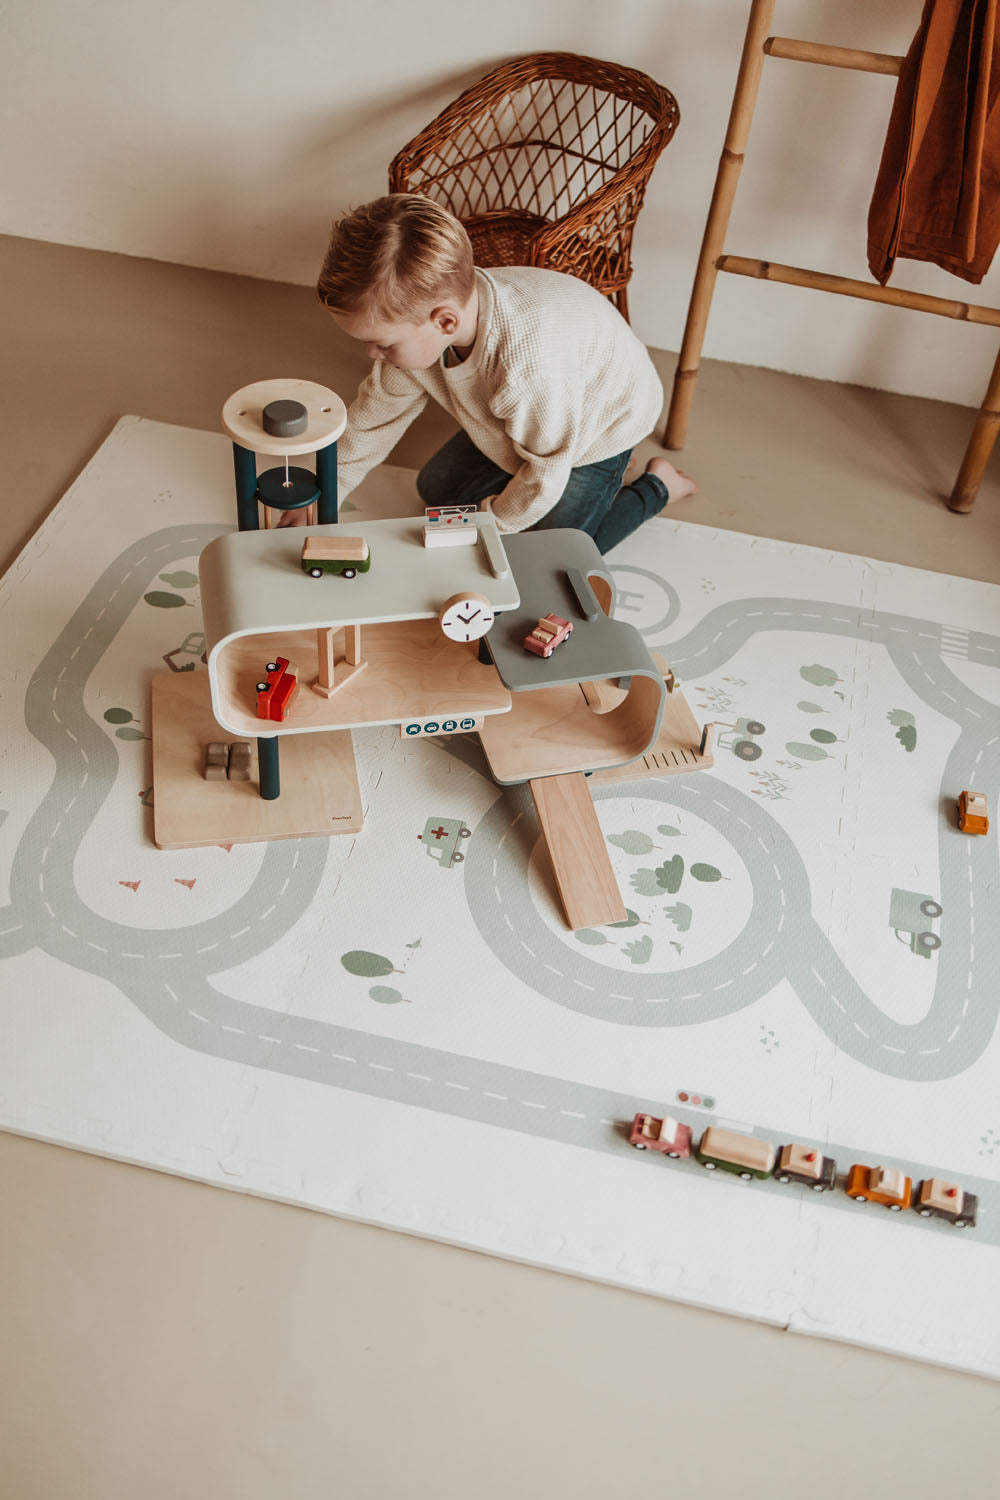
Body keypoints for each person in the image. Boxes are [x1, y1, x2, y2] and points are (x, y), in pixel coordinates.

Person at [281, 193, 696, 551]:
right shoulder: (435, 326)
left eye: (385, 344)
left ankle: (656, 487)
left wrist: (491, 528)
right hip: (538, 417)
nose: (374, 354)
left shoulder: (526, 367)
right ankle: (583, 475)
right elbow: (372, 421)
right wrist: (323, 496)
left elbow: (545, 472)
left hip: (602, 422)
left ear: (444, 322)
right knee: (436, 491)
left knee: (549, 552)